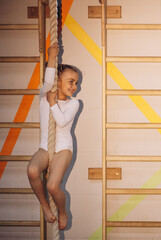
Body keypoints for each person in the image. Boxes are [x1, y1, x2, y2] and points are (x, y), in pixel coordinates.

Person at [27, 43, 80, 230]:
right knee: (33, 171)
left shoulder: (75, 104)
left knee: (52, 186)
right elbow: (48, 80)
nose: (75, 86)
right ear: (58, 81)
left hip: (64, 149)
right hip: (45, 147)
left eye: (76, 82)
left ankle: (63, 211)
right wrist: (51, 56)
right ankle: (44, 206)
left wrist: (52, 104)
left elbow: (62, 121)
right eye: (70, 81)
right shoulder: (45, 95)